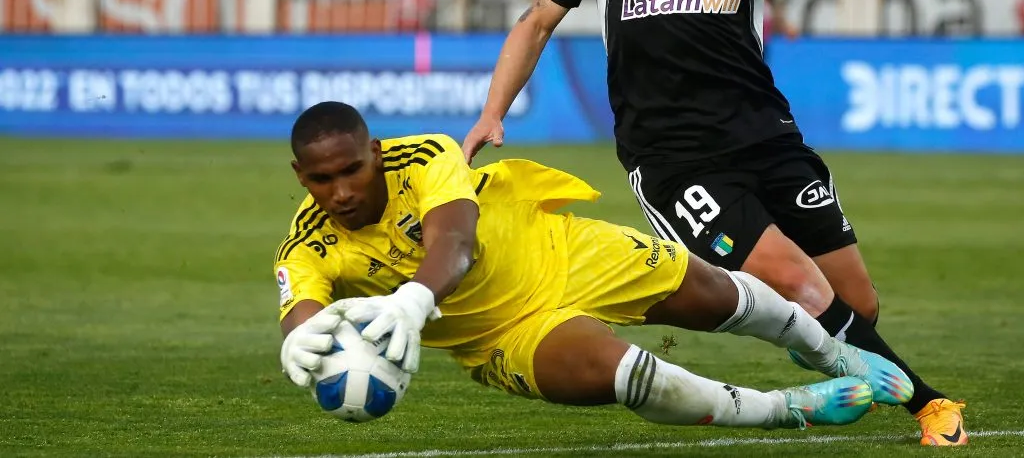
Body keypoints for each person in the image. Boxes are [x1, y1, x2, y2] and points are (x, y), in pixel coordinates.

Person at [460, 0, 966, 447]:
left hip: (769, 139)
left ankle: (821, 344)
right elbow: (536, 22)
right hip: (676, 160)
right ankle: (931, 405)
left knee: (857, 305)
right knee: (800, 284)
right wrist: (492, 112)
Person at [276, 101, 911, 431]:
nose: (342, 191)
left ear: (375, 153)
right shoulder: (306, 245)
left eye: (352, 169)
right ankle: (787, 409)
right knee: (633, 376)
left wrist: (412, 301)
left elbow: (455, 244)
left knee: (717, 294)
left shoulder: (424, 157)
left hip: (565, 252)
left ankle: (832, 353)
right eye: (323, 179)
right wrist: (299, 339)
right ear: (302, 177)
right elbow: (301, 310)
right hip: (504, 338)